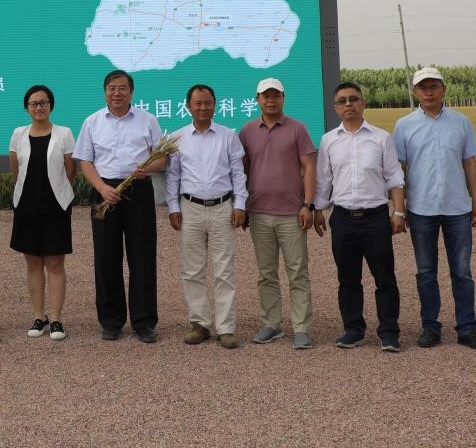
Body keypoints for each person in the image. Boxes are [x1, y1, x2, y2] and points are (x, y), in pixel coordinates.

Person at [392, 67, 476, 351]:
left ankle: (467, 328)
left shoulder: (460, 122)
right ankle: (430, 327)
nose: (429, 91)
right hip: (421, 208)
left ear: (444, 89)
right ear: (415, 92)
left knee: (462, 272)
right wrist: (400, 207)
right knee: (426, 272)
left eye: (434, 86)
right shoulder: (404, 125)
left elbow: (470, 163)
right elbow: (398, 168)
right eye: (423, 87)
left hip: (457, 207)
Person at [315, 81, 406, 353]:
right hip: (342, 218)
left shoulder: (381, 138)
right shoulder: (329, 140)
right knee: (348, 279)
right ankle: (353, 330)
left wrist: (398, 211)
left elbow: (394, 177)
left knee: (384, 277)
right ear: (335, 107)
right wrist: (318, 210)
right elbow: (323, 180)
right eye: (342, 101)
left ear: (363, 103)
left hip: (375, 218)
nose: (348, 104)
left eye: (353, 99)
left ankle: (389, 332)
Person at [75, 69, 164, 342]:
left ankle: (143, 321)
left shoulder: (148, 120)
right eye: (112, 88)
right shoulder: (92, 122)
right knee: (106, 257)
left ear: (131, 92)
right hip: (105, 192)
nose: (117, 93)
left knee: (142, 256)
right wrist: (101, 188)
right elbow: (84, 161)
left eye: (122, 88)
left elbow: (163, 158)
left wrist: (149, 169)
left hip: (138, 189)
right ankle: (111, 320)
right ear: (105, 92)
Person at [165, 85, 248, 349]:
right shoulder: (177, 138)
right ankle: (199, 323)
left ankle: (226, 327)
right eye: (198, 103)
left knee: (224, 269)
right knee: (192, 270)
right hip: (190, 208)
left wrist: (240, 204)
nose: (203, 108)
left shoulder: (228, 136)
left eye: (208, 103)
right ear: (188, 106)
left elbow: (238, 173)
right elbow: (173, 176)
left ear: (215, 105)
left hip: (223, 207)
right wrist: (173, 207)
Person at [238, 77, 318, 350]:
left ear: (283, 98)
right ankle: (271, 324)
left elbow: (309, 167)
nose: (271, 100)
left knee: (298, 272)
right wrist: (242, 205)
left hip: (292, 213)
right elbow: (243, 170)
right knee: (266, 273)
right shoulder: (248, 131)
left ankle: (302, 328)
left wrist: (308, 204)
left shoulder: (297, 128)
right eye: (265, 96)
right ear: (257, 99)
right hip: (259, 212)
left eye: (276, 95)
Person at [7, 84, 75, 342]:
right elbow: (16, 169)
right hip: (26, 205)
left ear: (51, 106)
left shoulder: (64, 133)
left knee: (55, 263)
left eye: (43, 103)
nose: (39, 107)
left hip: (56, 205)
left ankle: (56, 318)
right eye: (34, 103)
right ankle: (39, 316)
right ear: (27, 107)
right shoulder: (18, 134)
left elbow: (70, 170)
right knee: (33, 262)